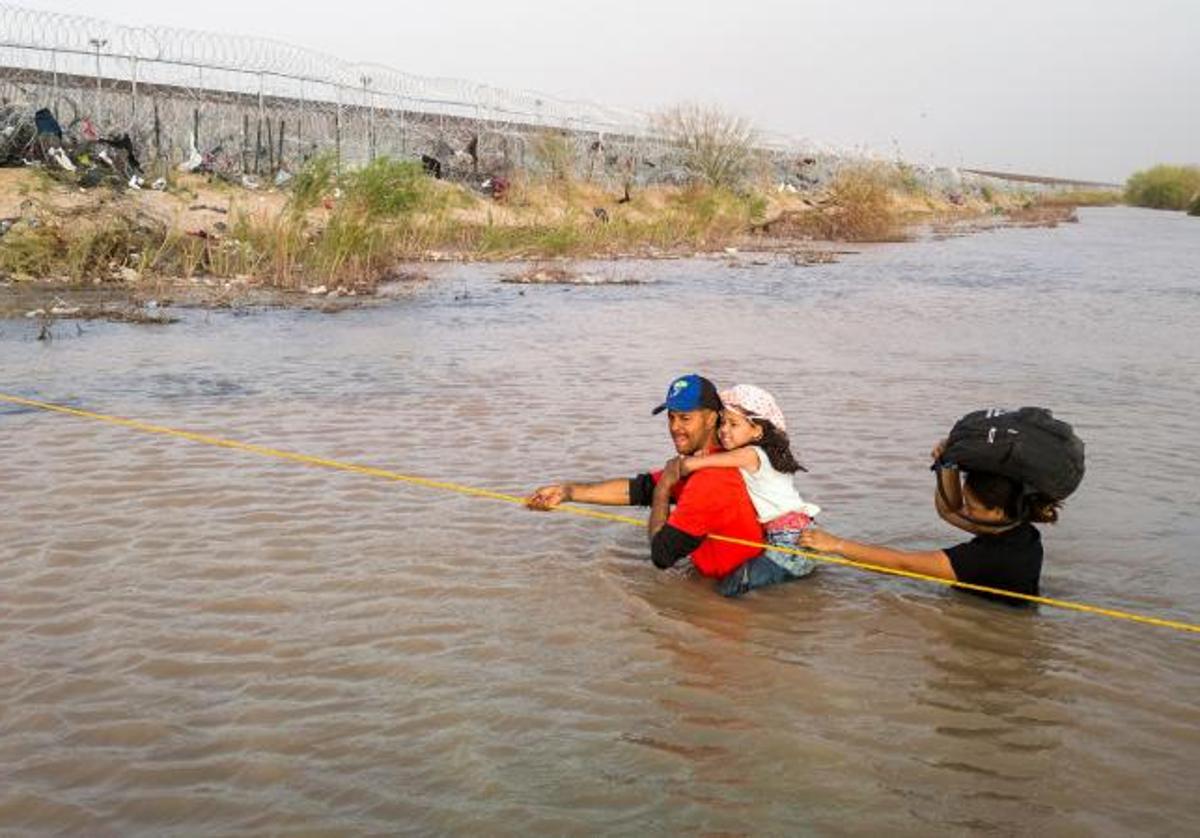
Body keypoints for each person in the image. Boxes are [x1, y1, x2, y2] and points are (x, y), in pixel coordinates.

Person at [526, 374, 771, 595]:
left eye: (685, 418)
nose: (675, 427)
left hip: (742, 593)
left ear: (711, 419)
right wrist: (567, 491)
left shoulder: (711, 478)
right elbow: (640, 489)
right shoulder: (704, 460)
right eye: (671, 417)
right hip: (726, 580)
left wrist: (664, 489)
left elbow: (662, 555)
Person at [799, 440, 1062, 602]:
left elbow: (903, 564)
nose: (965, 511)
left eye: (972, 506)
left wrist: (836, 545)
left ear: (996, 512)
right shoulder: (1020, 528)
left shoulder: (986, 557)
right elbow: (949, 511)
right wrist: (946, 466)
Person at [677, 384, 822, 596]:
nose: (724, 429)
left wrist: (685, 464)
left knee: (728, 589)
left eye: (733, 424)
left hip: (788, 544)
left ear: (757, 430)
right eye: (723, 422)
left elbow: (712, 462)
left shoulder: (751, 454)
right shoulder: (769, 456)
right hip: (799, 537)